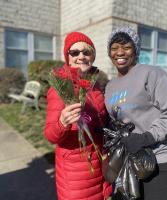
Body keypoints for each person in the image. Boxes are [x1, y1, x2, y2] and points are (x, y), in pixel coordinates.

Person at [104, 26, 167, 200]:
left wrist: (145, 138)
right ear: (109, 53)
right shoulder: (110, 86)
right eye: (114, 48)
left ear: (136, 49)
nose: (120, 52)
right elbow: (115, 118)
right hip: (128, 159)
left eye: (126, 47)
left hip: (157, 158)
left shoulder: (152, 74)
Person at [44, 31, 111, 200]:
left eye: (86, 52)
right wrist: (62, 122)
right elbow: (51, 135)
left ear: (93, 56)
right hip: (76, 175)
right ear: (68, 57)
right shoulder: (61, 89)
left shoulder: (94, 86)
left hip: (99, 165)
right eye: (74, 52)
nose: (81, 56)